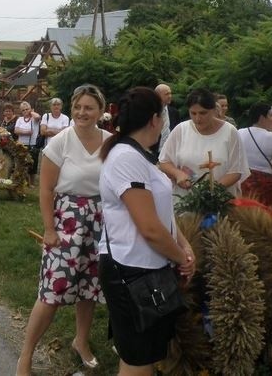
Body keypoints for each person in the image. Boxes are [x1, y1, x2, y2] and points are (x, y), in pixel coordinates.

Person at [98, 87, 196, 374]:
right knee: (139, 361)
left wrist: (184, 245)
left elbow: (161, 213)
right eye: (163, 116)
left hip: (148, 268)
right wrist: (181, 258)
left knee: (142, 357)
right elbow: (150, 228)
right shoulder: (126, 159)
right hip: (131, 271)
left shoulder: (140, 156)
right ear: (154, 119)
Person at [16, 85, 111, 376]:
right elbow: (45, 190)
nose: (82, 112)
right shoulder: (60, 142)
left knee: (89, 288)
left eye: (89, 107)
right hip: (66, 220)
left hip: (100, 221)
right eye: (78, 107)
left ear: (100, 111)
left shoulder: (111, 142)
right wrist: (49, 229)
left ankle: (80, 342)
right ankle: (26, 356)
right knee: (52, 291)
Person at [159, 88, 250, 200]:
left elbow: (236, 171)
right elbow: (164, 161)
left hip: (220, 199)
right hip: (185, 201)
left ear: (213, 110)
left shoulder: (230, 132)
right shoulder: (181, 130)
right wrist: (178, 174)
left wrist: (210, 191)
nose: (197, 119)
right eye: (193, 113)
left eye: (203, 113)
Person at [239, 102, 272, 211]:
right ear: (261, 117)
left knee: (246, 211)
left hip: (245, 180)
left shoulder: (240, 132)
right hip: (265, 184)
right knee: (265, 213)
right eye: (270, 115)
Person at [14, 101, 41, 180]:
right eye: (23, 110)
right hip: (22, 144)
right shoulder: (20, 119)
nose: (25, 111)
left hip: (33, 144)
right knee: (22, 163)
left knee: (33, 163)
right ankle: (24, 180)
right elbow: (16, 130)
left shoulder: (34, 119)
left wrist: (32, 112)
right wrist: (26, 132)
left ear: (30, 109)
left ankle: (32, 181)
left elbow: (38, 117)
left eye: (27, 109)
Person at [151, 83, 180, 155]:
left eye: (170, 93)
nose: (170, 96)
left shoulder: (174, 112)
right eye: (167, 94)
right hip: (153, 153)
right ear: (157, 96)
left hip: (170, 152)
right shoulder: (150, 113)